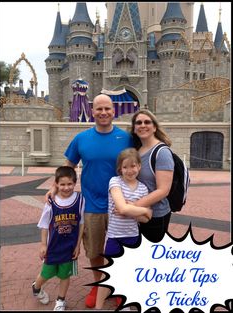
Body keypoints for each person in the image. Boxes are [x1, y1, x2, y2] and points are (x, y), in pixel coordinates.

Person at [45, 94, 133, 308]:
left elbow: (136, 166)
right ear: (93, 111)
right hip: (92, 206)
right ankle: (99, 284)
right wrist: (54, 187)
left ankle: (118, 285)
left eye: (108, 109)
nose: (103, 113)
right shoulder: (81, 138)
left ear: (114, 111)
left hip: (120, 205)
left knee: (121, 250)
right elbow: (68, 166)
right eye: (99, 109)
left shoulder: (126, 138)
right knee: (94, 251)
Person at [95, 148, 152, 310]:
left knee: (126, 273)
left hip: (132, 237)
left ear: (139, 166)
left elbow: (145, 220)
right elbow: (124, 208)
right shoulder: (115, 182)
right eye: (125, 167)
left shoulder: (143, 189)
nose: (129, 170)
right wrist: (143, 210)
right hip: (114, 237)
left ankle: (124, 304)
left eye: (133, 166)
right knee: (107, 275)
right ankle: (98, 308)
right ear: (120, 168)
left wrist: (133, 209)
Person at [32, 166, 85, 311]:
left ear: (75, 183)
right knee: (46, 273)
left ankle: (61, 300)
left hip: (69, 247)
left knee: (64, 275)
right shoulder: (51, 201)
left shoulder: (80, 200)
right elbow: (44, 225)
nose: (66, 187)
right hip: (53, 246)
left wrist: (77, 245)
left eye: (70, 184)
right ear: (56, 184)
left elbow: (81, 224)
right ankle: (36, 288)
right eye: (62, 184)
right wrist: (43, 244)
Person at [130, 109, 174, 242]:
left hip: (155, 216)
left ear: (154, 127)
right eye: (138, 123)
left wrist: (133, 206)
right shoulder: (137, 150)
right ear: (134, 129)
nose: (142, 125)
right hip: (138, 214)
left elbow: (163, 190)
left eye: (147, 122)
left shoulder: (162, 152)